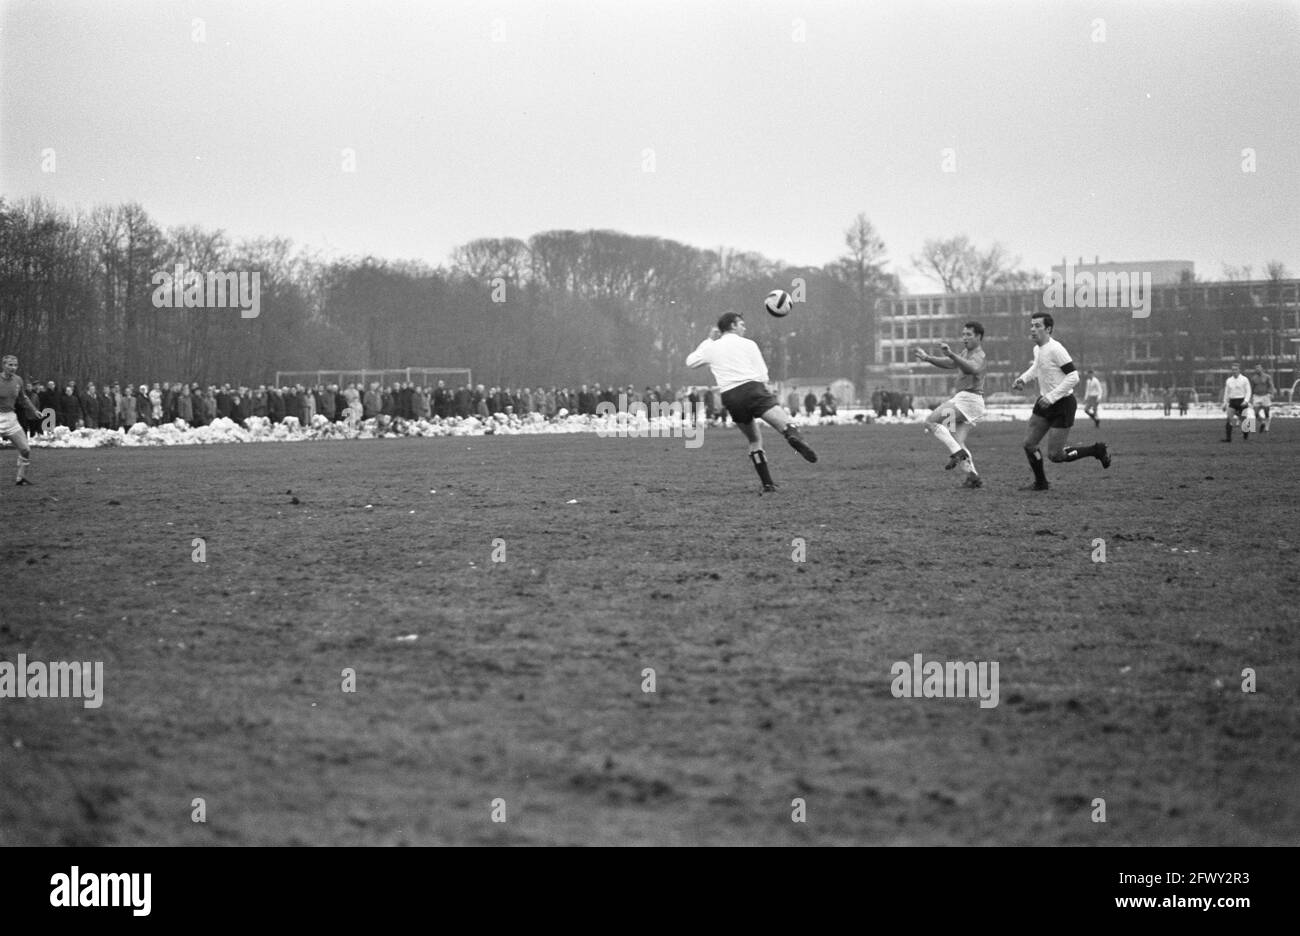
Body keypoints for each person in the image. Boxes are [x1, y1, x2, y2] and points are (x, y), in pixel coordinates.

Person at [686, 312, 816, 493]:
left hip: (730, 396)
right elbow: (762, 373)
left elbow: (690, 362)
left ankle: (768, 483)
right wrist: (767, 394)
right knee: (787, 426)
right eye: (742, 324)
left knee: (754, 440)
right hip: (752, 388)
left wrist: (708, 340)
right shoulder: (748, 344)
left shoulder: (712, 347)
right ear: (732, 325)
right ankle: (793, 437)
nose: (744, 328)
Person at [1012, 312, 1111, 491]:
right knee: (1029, 444)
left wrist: (1051, 397)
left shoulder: (1056, 349)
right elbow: (1037, 367)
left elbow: (1074, 377)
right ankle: (1041, 483)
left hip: (1062, 404)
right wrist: (1023, 379)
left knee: (1055, 455)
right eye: (1031, 325)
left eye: (1037, 326)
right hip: (1045, 403)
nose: (1033, 329)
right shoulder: (1038, 349)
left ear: (1048, 329)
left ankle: (1096, 450)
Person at [914, 321, 987, 488]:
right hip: (966, 402)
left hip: (967, 401)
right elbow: (950, 363)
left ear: (978, 337)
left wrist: (952, 354)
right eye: (963, 334)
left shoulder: (979, 355)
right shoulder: (965, 353)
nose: (964, 338)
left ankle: (957, 454)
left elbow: (971, 369)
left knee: (930, 421)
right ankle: (972, 476)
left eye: (969, 335)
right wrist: (927, 358)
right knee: (955, 440)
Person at [0, 355, 41, 485]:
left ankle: (20, 478)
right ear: (3, 365)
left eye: (15, 365)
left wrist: (34, 410)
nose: (13, 368)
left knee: (25, 449)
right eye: (10, 365)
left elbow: (23, 398)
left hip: (11, 417)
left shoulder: (18, 380)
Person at [1221, 363, 1252, 442]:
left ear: (1239, 370)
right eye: (1233, 369)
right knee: (1229, 419)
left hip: (1242, 401)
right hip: (1232, 402)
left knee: (1244, 420)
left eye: (1236, 369)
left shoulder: (1245, 379)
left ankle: (1246, 436)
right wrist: (1224, 403)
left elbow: (1248, 391)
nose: (1234, 371)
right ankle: (1228, 438)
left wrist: (1246, 401)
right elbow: (1226, 393)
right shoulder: (1228, 380)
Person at [1249, 364, 1275, 434]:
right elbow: (1251, 388)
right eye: (1256, 368)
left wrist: (1272, 393)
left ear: (1262, 369)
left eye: (1258, 368)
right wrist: (1250, 397)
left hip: (1265, 396)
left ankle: (1267, 428)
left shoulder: (1267, 377)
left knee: (1266, 412)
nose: (1257, 369)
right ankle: (1262, 422)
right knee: (1255, 412)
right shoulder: (1253, 378)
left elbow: (1271, 385)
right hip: (1257, 397)